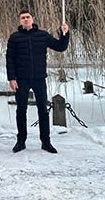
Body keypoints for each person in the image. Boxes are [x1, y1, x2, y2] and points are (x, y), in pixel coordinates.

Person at [6, 10, 69, 154]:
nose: (25, 19)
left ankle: (46, 142)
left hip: (39, 78)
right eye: (23, 18)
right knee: (21, 110)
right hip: (21, 79)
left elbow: (60, 47)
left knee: (43, 110)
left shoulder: (43, 35)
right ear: (20, 21)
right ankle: (21, 141)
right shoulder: (15, 37)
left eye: (28, 17)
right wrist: (12, 78)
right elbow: (10, 58)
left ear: (32, 19)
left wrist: (64, 34)